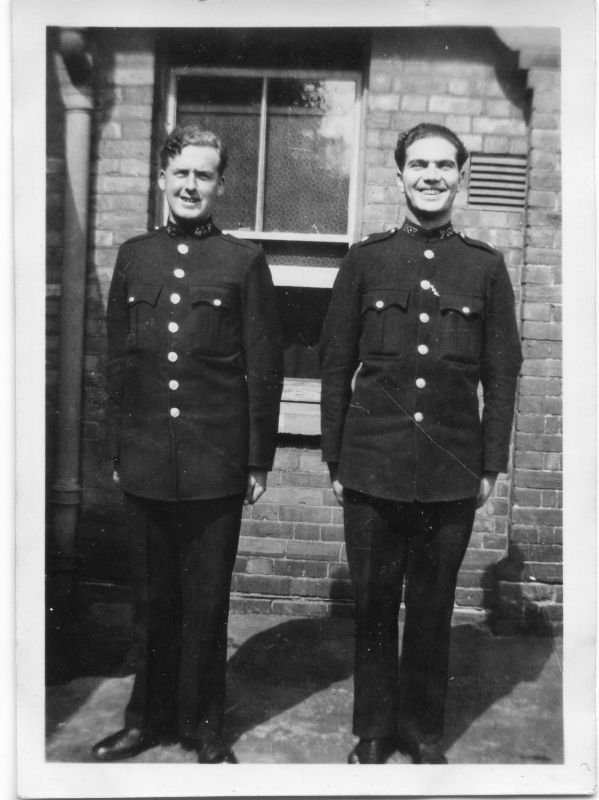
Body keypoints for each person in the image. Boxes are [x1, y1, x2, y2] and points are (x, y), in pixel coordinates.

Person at [320, 123, 522, 765]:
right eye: (418, 165)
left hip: (450, 467)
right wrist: (334, 455)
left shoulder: (485, 267)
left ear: (461, 176)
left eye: (443, 166)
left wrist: (489, 462)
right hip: (373, 464)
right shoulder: (366, 259)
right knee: (375, 607)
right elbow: (334, 363)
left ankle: (423, 733)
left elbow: (502, 370)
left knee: (433, 610)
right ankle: (374, 732)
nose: (431, 176)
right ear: (398, 175)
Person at [93, 125, 283, 764]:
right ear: (162, 178)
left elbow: (263, 364)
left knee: (206, 602)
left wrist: (257, 458)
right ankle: (145, 720)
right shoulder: (135, 255)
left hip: (216, 460)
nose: (191, 185)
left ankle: (205, 728)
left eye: (204, 175)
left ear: (220, 185)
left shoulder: (242, 261)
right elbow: (116, 359)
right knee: (151, 602)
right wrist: (119, 446)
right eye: (181, 173)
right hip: (147, 456)